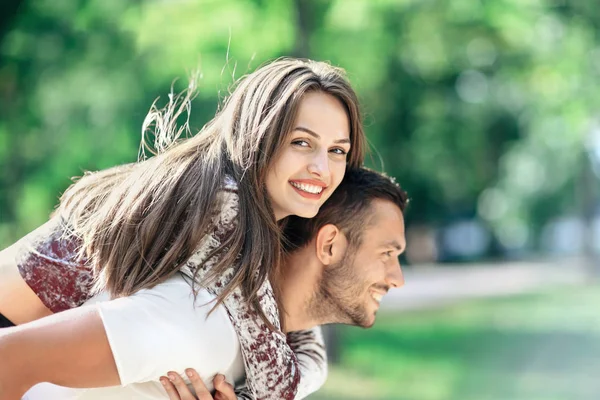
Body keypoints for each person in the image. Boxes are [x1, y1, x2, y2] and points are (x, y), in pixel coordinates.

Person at [0, 57, 367, 400]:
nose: (322, 167)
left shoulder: (263, 219)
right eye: (301, 143)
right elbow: (276, 382)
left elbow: (298, 335)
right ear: (259, 136)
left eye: (337, 151)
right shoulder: (225, 202)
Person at [0, 167, 408, 400]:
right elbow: (9, 357)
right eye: (388, 253)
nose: (397, 278)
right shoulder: (203, 322)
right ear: (330, 244)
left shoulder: (272, 344)